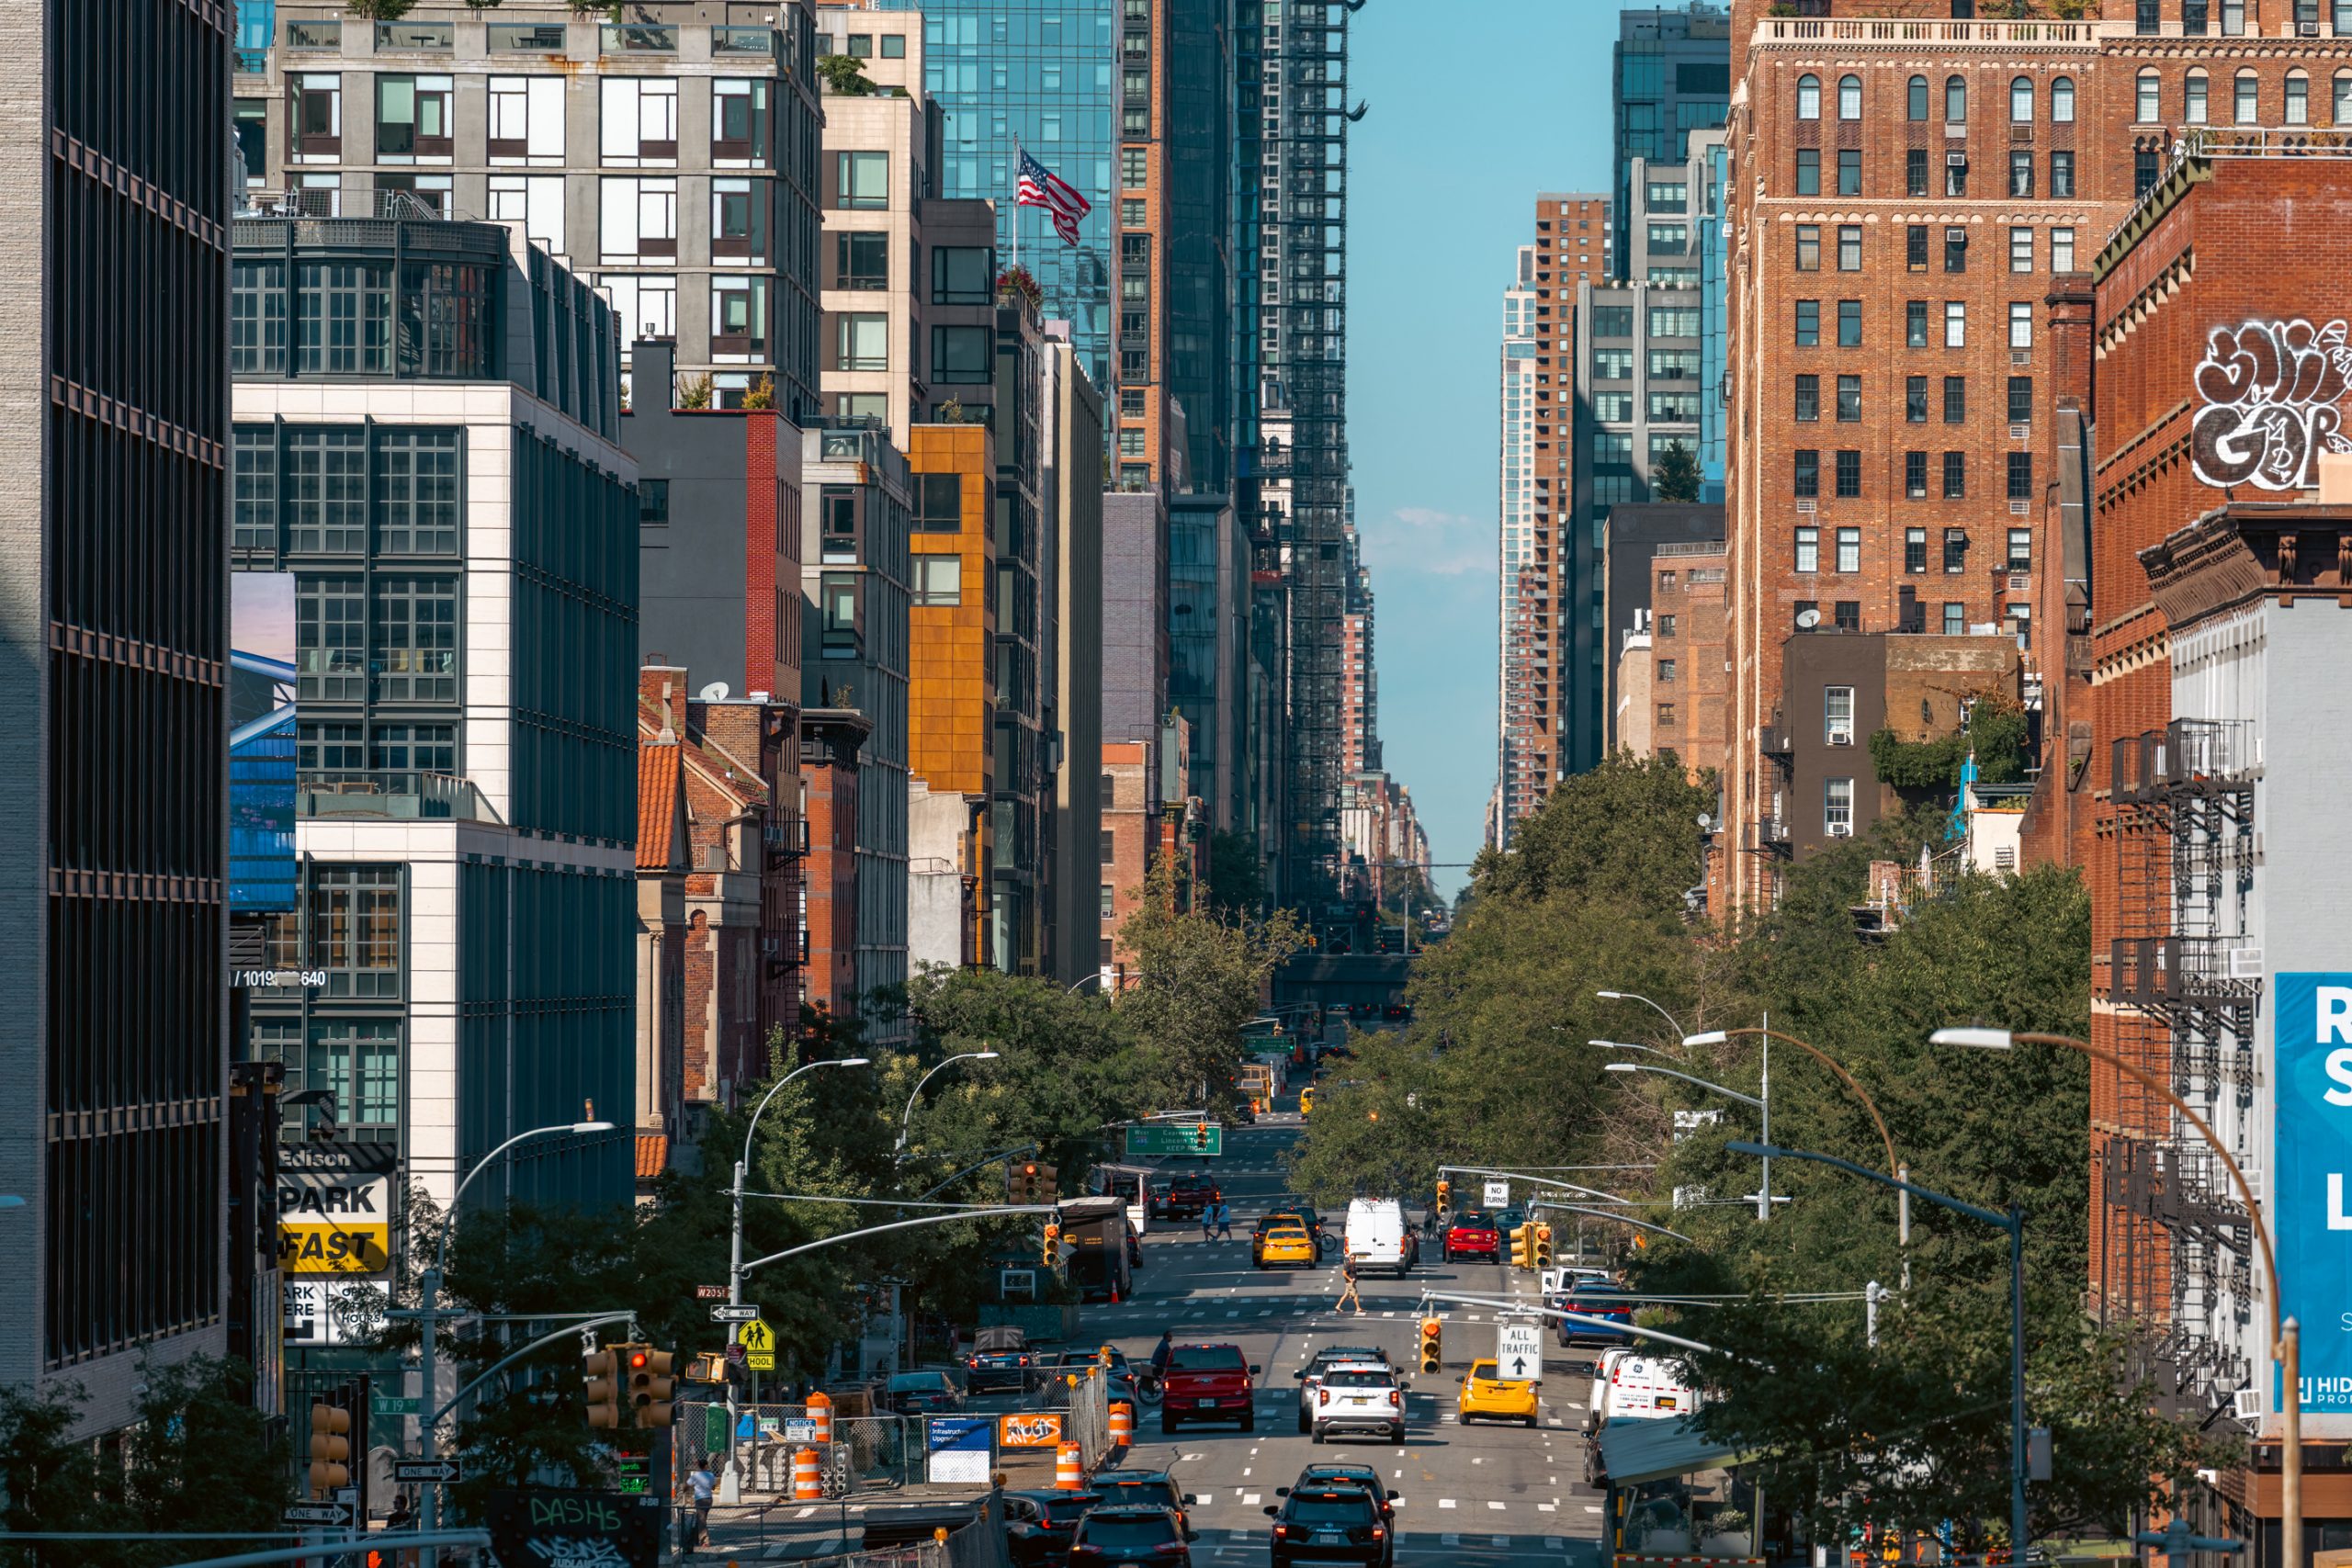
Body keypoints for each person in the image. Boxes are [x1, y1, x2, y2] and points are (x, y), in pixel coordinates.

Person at [686, 1465, 717, 1547]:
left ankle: (705, 1541)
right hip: (709, 1499)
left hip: (700, 1499)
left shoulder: (695, 1476)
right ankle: (696, 1539)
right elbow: (713, 1487)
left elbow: (687, 1485)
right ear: (706, 1466)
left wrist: (684, 1491)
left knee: (701, 1520)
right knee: (701, 1518)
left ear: (698, 1466)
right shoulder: (711, 1475)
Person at [1335, 1252, 1363, 1316]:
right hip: (1350, 1283)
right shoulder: (1348, 1265)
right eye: (1352, 1258)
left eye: (1354, 1258)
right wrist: (1350, 1279)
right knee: (1355, 1295)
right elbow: (1344, 1273)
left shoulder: (1353, 1264)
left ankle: (1338, 1306)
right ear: (1349, 1258)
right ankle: (1358, 1308)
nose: (1353, 1260)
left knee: (1346, 1295)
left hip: (1350, 1283)